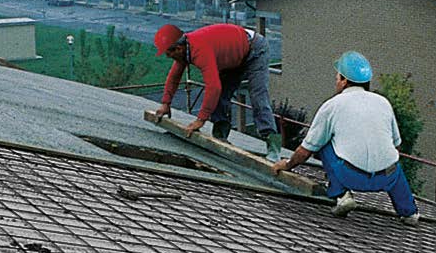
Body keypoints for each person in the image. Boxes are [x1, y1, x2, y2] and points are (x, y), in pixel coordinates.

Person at [271, 51, 420, 226]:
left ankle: (341, 195)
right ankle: (409, 212)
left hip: (350, 176)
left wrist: (287, 165)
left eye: (337, 77)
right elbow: (396, 146)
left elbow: (306, 150)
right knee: (393, 162)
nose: (336, 81)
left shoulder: (332, 105)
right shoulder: (383, 102)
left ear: (343, 80)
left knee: (323, 143)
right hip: (387, 178)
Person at [152, 23, 281, 159]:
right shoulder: (185, 49)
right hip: (234, 55)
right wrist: (166, 103)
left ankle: (273, 148)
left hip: (255, 49)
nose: (168, 57)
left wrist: (201, 120)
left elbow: (213, 87)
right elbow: (174, 77)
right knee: (220, 96)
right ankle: (220, 137)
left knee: (257, 97)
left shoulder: (199, 50)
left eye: (168, 54)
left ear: (178, 49)